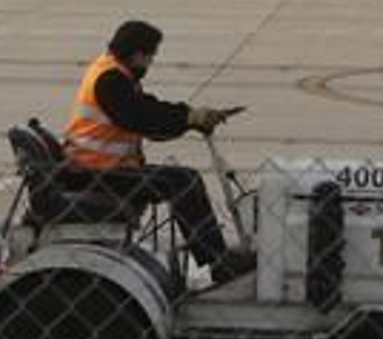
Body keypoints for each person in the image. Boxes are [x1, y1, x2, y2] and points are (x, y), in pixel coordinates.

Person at [62, 19, 256, 283]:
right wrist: (188, 118)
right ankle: (216, 261)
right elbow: (142, 118)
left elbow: (148, 108)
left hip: (104, 169)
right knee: (183, 182)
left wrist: (188, 116)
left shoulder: (114, 71)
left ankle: (215, 257)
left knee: (181, 178)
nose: (150, 63)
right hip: (96, 172)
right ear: (138, 53)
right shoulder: (111, 79)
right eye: (150, 56)